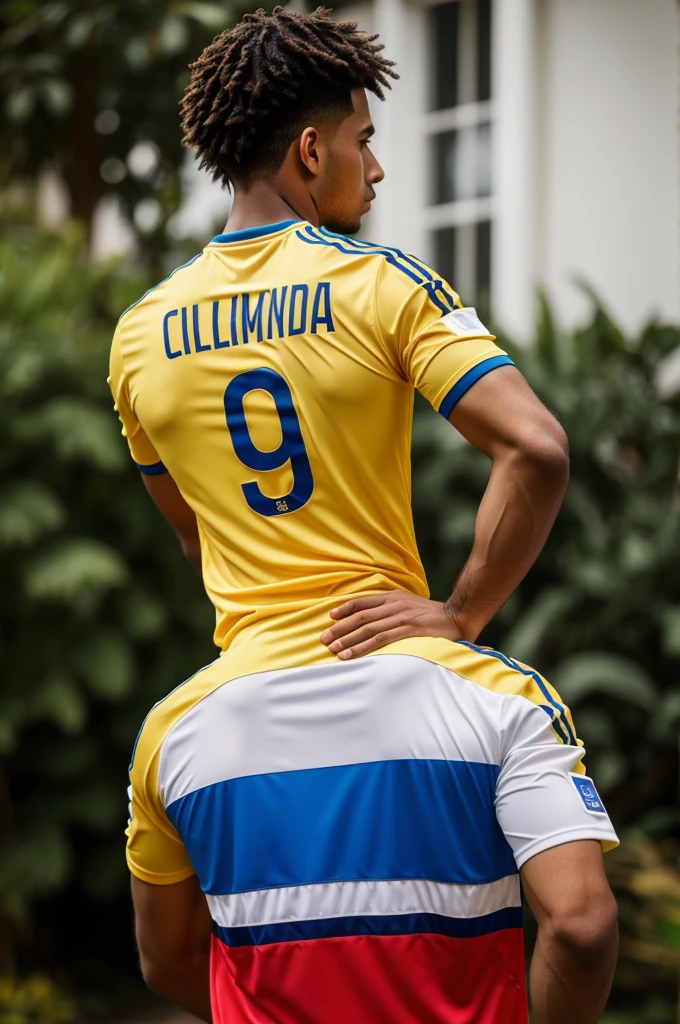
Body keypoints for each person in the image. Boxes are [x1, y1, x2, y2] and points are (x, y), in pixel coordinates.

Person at [110, 7, 618, 1023]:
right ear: (310, 151)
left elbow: (193, 532)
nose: (374, 169)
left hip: (229, 716)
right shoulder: (381, 283)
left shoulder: (137, 338)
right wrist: (461, 614)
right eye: (363, 139)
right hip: (407, 678)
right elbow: (536, 447)